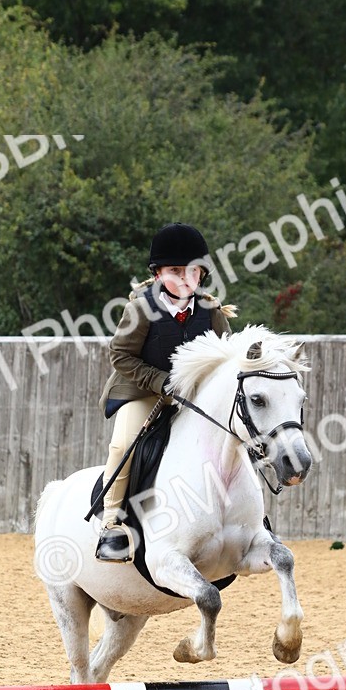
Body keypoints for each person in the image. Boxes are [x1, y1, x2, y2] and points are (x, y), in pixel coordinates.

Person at [96, 222, 237, 561]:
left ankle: (243, 514)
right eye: (176, 270)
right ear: (158, 273)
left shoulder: (210, 311)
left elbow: (228, 356)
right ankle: (112, 524)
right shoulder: (140, 309)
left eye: (193, 271)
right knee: (123, 445)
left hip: (191, 396)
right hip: (143, 390)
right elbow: (120, 355)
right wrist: (161, 382)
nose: (185, 278)